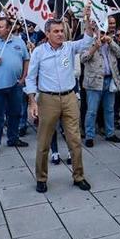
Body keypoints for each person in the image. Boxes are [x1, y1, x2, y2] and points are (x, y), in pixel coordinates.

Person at [25, 16, 96, 193]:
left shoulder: (70, 47)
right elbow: (31, 77)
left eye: (61, 30)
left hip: (69, 97)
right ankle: (41, 178)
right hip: (47, 100)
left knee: (75, 139)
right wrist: (32, 101)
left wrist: (87, 22)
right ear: (47, 33)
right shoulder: (39, 52)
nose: (60, 34)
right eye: (55, 31)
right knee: (44, 142)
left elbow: (87, 40)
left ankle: (78, 176)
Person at [0, 17, 30, 156]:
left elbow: (26, 59)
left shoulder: (19, 42)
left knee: (15, 113)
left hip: (15, 85)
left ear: (9, 28)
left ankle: (13, 139)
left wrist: (24, 77)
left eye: (1, 27)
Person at [81, 29, 120, 146]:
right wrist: (94, 47)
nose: (103, 35)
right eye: (100, 32)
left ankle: (110, 133)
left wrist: (111, 42)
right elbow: (83, 59)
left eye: (104, 32)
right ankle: (89, 136)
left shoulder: (110, 43)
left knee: (109, 109)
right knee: (92, 111)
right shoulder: (88, 43)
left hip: (109, 80)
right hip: (94, 82)